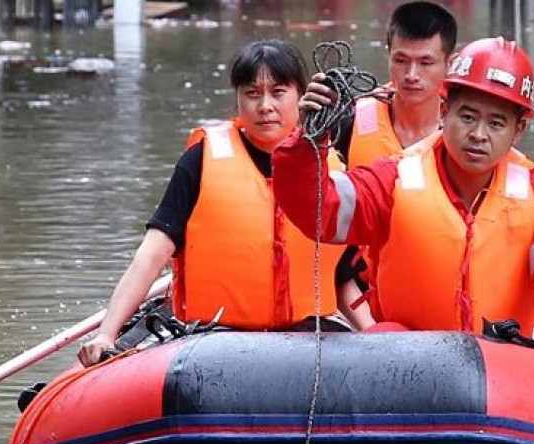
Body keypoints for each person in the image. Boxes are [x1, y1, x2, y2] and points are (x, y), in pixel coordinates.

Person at [273, 37, 534, 366]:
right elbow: (319, 211)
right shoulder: (393, 178)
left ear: (518, 130)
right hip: (408, 361)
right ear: (444, 111)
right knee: (382, 337)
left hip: (504, 367)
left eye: (496, 123)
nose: (479, 134)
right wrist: (308, 141)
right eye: (467, 117)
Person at [77, 40, 345, 367]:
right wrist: (107, 333)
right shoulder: (201, 159)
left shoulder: (330, 167)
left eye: (278, 93)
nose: (265, 106)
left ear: (301, 96)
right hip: (212, 338)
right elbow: (151, 254)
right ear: (237, 98)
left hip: (306, 335)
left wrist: (375, 335)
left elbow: (346, 272)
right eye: (252, 93)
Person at [331, 1, 458, 329]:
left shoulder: (469, 134)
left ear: (450, 64)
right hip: (361, 305)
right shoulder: (350, 125)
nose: (411, 75)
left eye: (426, 62)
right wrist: (368, 327)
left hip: (448, 304)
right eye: (400, 60)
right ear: (388, 54)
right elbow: (325, 236)